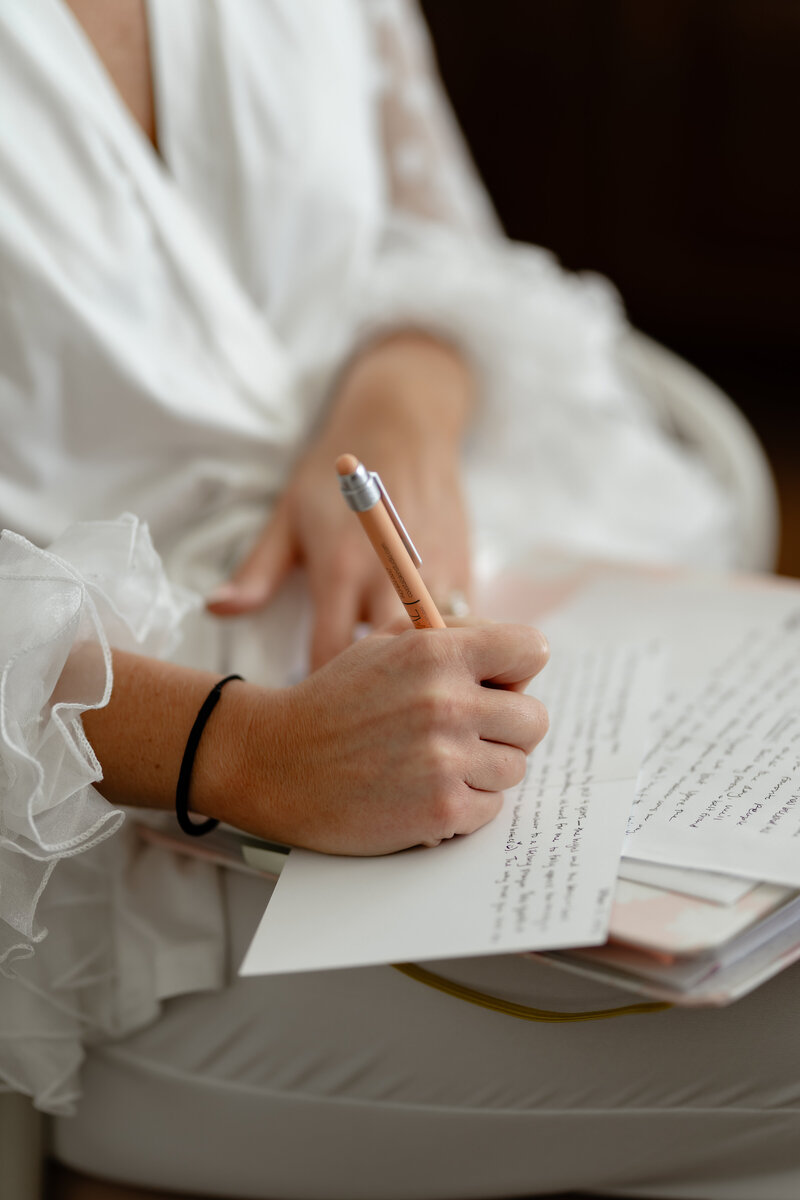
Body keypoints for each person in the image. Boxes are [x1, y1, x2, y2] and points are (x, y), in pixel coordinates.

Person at [2, 3, 797, 1198]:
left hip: (481, 633)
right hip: (117, 877)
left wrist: (399, 389)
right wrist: (240, 750)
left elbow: (433, 241)